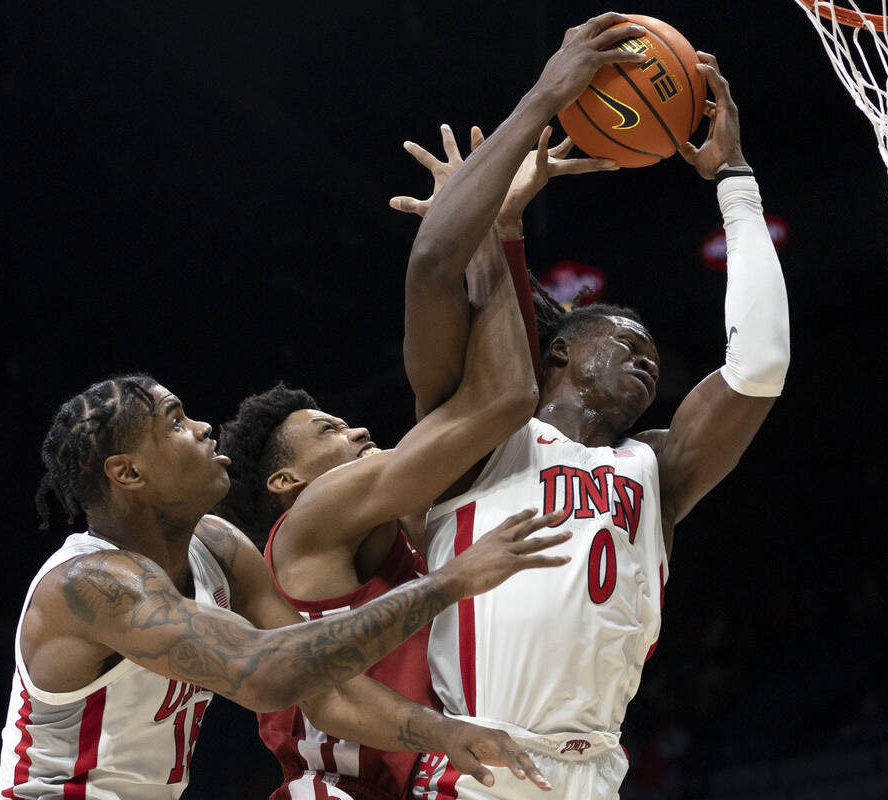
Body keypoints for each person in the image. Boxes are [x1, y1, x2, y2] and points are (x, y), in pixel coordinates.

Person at [392, 13, 791, 798]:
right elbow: (434, 268)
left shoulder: (655, 469)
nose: (647, 353)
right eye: (623, 337)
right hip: (476, 766)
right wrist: (545, 100)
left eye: (650, 347)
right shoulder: (478, 436)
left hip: (596, 773)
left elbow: (762, 362)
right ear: (561, 354)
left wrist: (735, 181)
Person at [212, 103, 617, 800]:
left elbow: (478, 392)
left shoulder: (403, 526)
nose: (361, 432)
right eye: (330, 432)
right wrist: (490, 224)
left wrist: (500, 231)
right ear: (287, 480)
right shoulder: (312, 520)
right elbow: (495, 399)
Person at [0, 375, 573, 799]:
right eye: (174, 422)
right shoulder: (91, 585)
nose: (199, 428)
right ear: (128, 473)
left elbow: (328, 693)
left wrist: (447, 733)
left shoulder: (217, 547)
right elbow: (264, 675)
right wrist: (448, 583)